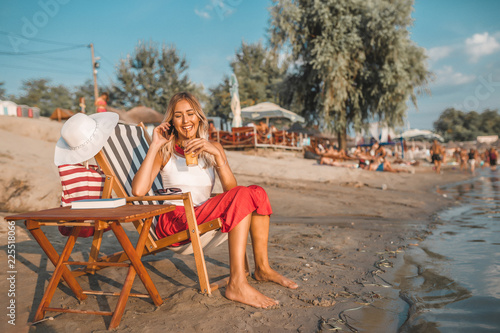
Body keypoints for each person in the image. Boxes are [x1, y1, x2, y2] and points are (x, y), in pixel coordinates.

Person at [131, 92, 298, 308]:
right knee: (244, 194)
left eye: (190, 114)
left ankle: (263, 268)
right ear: (171, 121)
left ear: (199, 117)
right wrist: (155, 145)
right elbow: (138, 190)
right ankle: (237, 283)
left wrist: (217, 155)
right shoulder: (165, 151)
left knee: (257, 192)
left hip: (199, 213)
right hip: (176, 220)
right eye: (179, 115)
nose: (185, 120)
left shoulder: (214, 147)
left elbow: (232, 191)